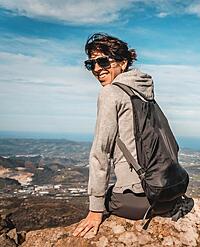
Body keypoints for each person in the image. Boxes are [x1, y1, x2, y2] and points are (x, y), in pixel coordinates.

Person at [73, 33, 159, 237]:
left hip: (140, 200)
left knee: (110, 195)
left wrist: (95, 211)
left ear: (123, 62)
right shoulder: (143, 90)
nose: (96, 69)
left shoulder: (111, 93)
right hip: (163, 191)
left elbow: (100, 154)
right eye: (90, 64)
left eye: (102, 61)